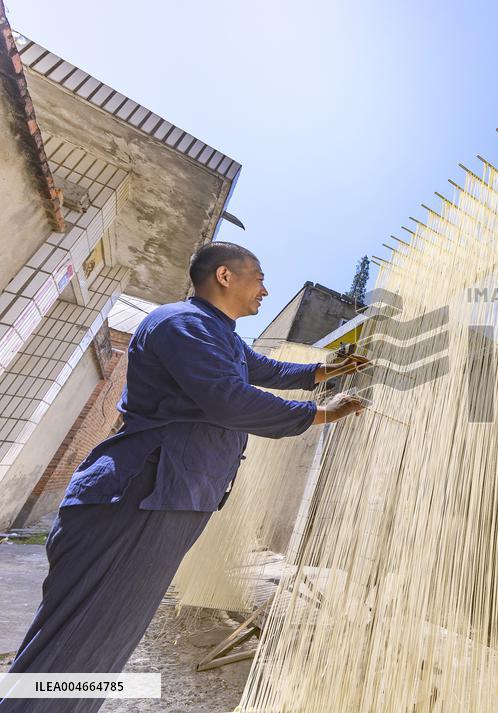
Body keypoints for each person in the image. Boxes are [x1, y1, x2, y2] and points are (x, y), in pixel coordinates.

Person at [0, 242, 366, 713]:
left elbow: (266, 370)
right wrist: (319, 414)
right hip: (139, 497)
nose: (265, 289)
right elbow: (228, 399)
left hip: (167, 498)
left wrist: (324, 371)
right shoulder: (181, 324)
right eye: (258, 278)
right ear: (225, 277)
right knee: (82, 639)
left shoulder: (221, 336)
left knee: (103, 638)